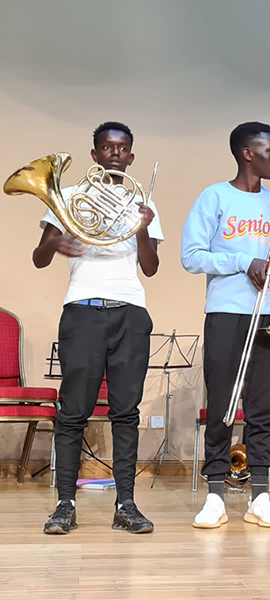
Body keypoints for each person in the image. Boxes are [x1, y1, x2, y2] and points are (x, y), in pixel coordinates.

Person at [35, 121, 162, 535]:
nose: (114, 153)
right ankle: (65, 505)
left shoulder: (143, 203)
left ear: (131, 156)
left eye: (122, 148)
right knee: (73, 412)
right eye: (106, 147)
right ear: (94, 155)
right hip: (82, 310)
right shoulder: (71, 197)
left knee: (126, 412)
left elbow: (150, 267)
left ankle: (126, 504)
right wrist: (56, 243)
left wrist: (143, 228)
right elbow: (39, 258)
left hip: (130, 311)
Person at [181, 121, 270, 529]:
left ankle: (260, 496)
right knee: (221, 405)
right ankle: (215, 495)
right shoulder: (214, 196)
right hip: (225, 312)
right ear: (248, 154)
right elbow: (191, 256)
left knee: (262, 406)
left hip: (266, 314)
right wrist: (244, 262)